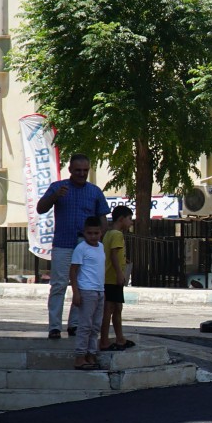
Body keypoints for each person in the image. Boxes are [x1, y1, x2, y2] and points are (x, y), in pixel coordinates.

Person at [36, 153, 109, 340]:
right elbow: (40, 208)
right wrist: (54, 197)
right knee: (59, 284)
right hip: (63, 243)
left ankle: (75, 325)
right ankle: (54, 326)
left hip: (85, 245)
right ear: (70, 170)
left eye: (85, 170)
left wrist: (99, 240)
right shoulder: (57, 188)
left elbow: (102, 218)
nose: (82, 174)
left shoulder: (95, 191)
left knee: (83, 285)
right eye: (78, 170)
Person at [70, 216, 108, 370]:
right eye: (90, 233)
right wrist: (76, 292)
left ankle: (91, 354)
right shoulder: (81, 249)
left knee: (96, 326)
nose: (93, 236)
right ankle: (80, 356)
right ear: (84, 233)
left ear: (100, 233)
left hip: (100, 290)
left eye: (96, 233)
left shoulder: (100, 247)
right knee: (85, 326)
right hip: (86, 291)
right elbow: (73, 271)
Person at [100, 205, 133, 351]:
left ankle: (120, 338)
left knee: (117, 308)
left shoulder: (108, 234)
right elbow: (113, 255)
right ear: (121, 219)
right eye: (129, 219)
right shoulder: (117, 235)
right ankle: (105, 340)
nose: (131, 222)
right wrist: (120, 273)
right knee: (109, 309)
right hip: (112, 278)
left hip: (109, 278)